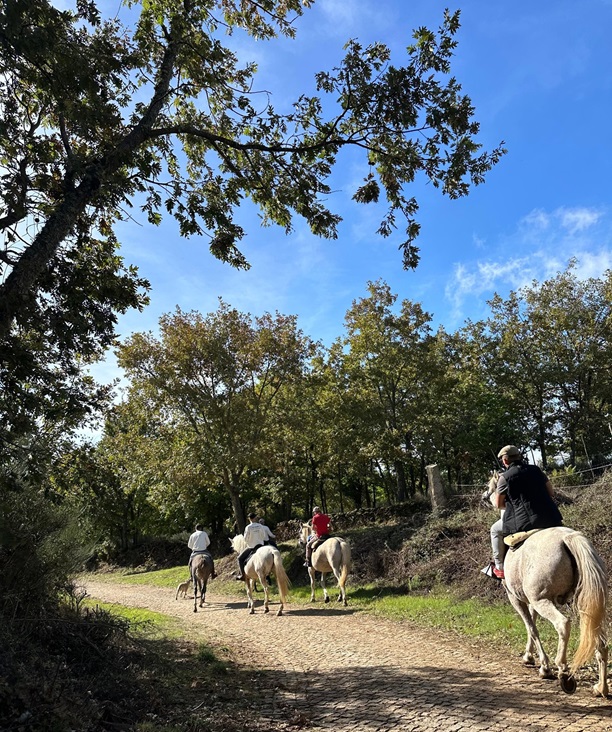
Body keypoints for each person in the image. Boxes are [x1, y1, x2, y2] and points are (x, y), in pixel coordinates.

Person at [490, 444, 563, 579]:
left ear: (505, 460)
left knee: (495, 530)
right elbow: (551, 493)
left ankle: (499, 568)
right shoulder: (536, 470)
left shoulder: (504, 478)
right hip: (551, 517)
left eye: (502, 460)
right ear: (518, 456)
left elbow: (499, 505)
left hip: (526, 523)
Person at [235, 513, 268, 580]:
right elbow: (264, 536)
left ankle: (242, 575)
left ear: (249, 519)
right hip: (261, 546)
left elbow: (245, 539)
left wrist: (250, 542)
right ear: (255, 518)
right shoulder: (260, 526)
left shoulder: (248, 527)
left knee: (240, 559)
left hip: (252, 547)